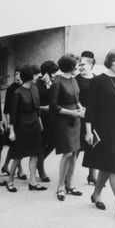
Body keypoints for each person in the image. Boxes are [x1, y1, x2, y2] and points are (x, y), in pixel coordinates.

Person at [82, 49, 115, 223]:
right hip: (103, 130)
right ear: (109, 61)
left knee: (107, 166)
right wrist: (88, 131)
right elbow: (90, 108)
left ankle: (96, 194)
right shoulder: (98, 81)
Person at [48, 54, 86, 201]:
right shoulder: (57, 82)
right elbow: (54, 106)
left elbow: (77, 99)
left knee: (75, 153)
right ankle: (61, 186)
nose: (78, 67)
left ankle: (70, 184)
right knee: (68, 153)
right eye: (76, 65)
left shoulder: (73, 79)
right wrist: (73, 113)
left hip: (76, 120)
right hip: (64, 121)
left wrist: (81, 108)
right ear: (70, 67)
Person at [3, 64, 46, 192]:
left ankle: (32, 181)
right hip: (21, 127)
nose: (38, 77)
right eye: (35, 75)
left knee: (35, 154)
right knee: (18, 155)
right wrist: (12, 131)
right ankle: (10, 181)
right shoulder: (17, 93)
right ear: (30, 77)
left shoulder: (35, 88)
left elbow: (37, 109)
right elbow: (13, 114)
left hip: (34, 126)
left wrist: (40, 123)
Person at [76, 53, 98, 185]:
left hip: (94, 117)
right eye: (79, 65)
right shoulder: (76, 80)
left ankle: (92, 175)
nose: (80, 67)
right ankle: (68, 176)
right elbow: (74, 96)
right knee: (76, 147)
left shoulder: (97, 79)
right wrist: (81, 108)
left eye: (83, 64)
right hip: (80, 116)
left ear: (91, 65)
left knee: (93, 146)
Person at [34, 60, 57, 183]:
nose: (54, 75)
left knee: (52, 143)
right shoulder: (37, 84)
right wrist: (45, 107)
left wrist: (49, 84)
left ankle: (39, 162)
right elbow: (34, 104)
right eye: (52, 73)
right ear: (46, 73)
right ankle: (41, 170)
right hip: (41, 118)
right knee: (42, 144)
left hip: (51, 118)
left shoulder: (52, 83)